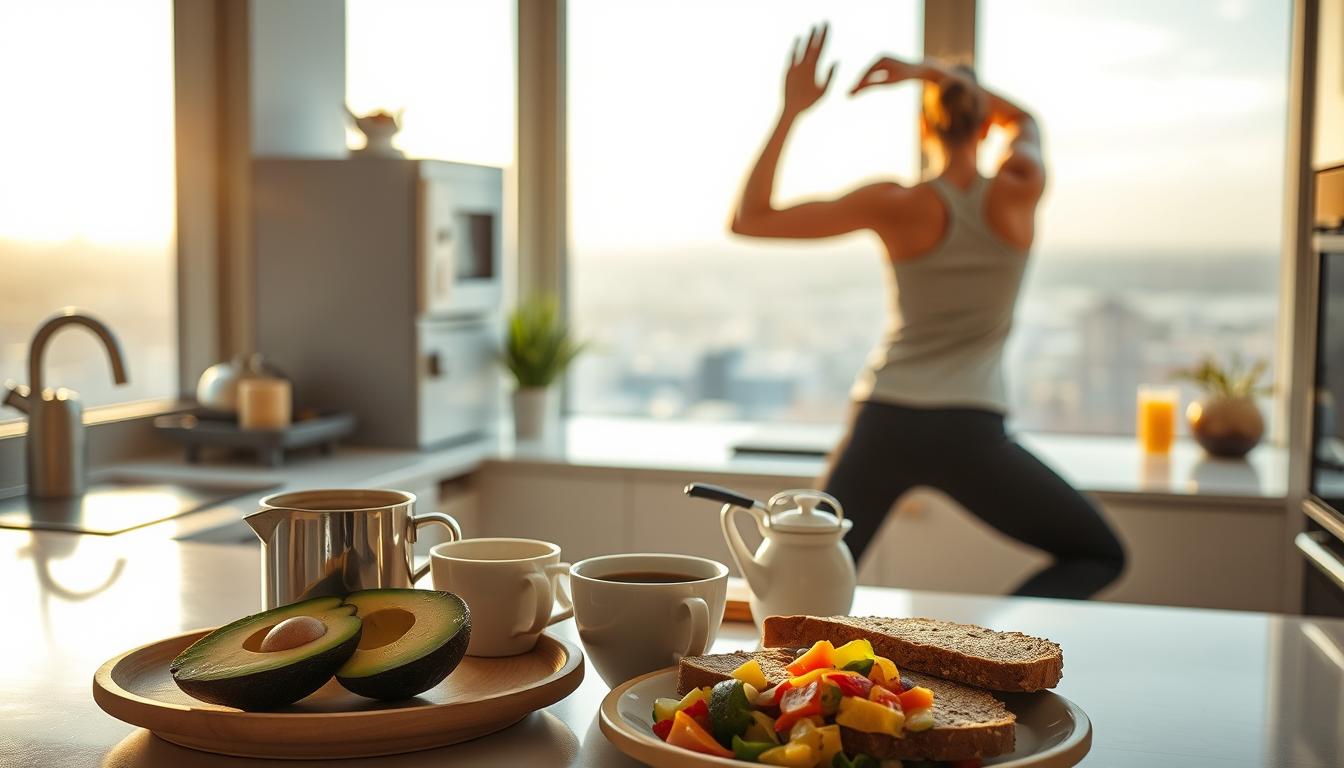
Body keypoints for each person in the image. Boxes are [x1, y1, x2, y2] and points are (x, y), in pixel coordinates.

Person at [729, 23, 1126, 599]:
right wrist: (930, 73)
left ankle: (788, 682)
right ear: (983, 122)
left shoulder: (897, 202)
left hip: (886, 419)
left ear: (925, 123)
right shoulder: (1018, 188)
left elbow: (751, 218)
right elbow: (1027, 122)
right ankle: (998, 655)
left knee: (798, 586)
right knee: (1098, 554)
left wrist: (791, 111)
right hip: (970, 429)